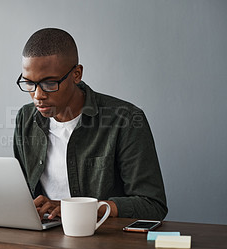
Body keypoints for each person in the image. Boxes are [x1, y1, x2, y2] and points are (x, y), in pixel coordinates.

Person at [13, 28, 167, 221]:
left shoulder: (126, 120)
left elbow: (152, 205)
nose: (38, 95)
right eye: (29, 83)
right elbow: (23, 194)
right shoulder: (25, 118)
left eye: (50, 84)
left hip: (105, 240)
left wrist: (77, 208)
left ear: (77, 74)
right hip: (45, 236)